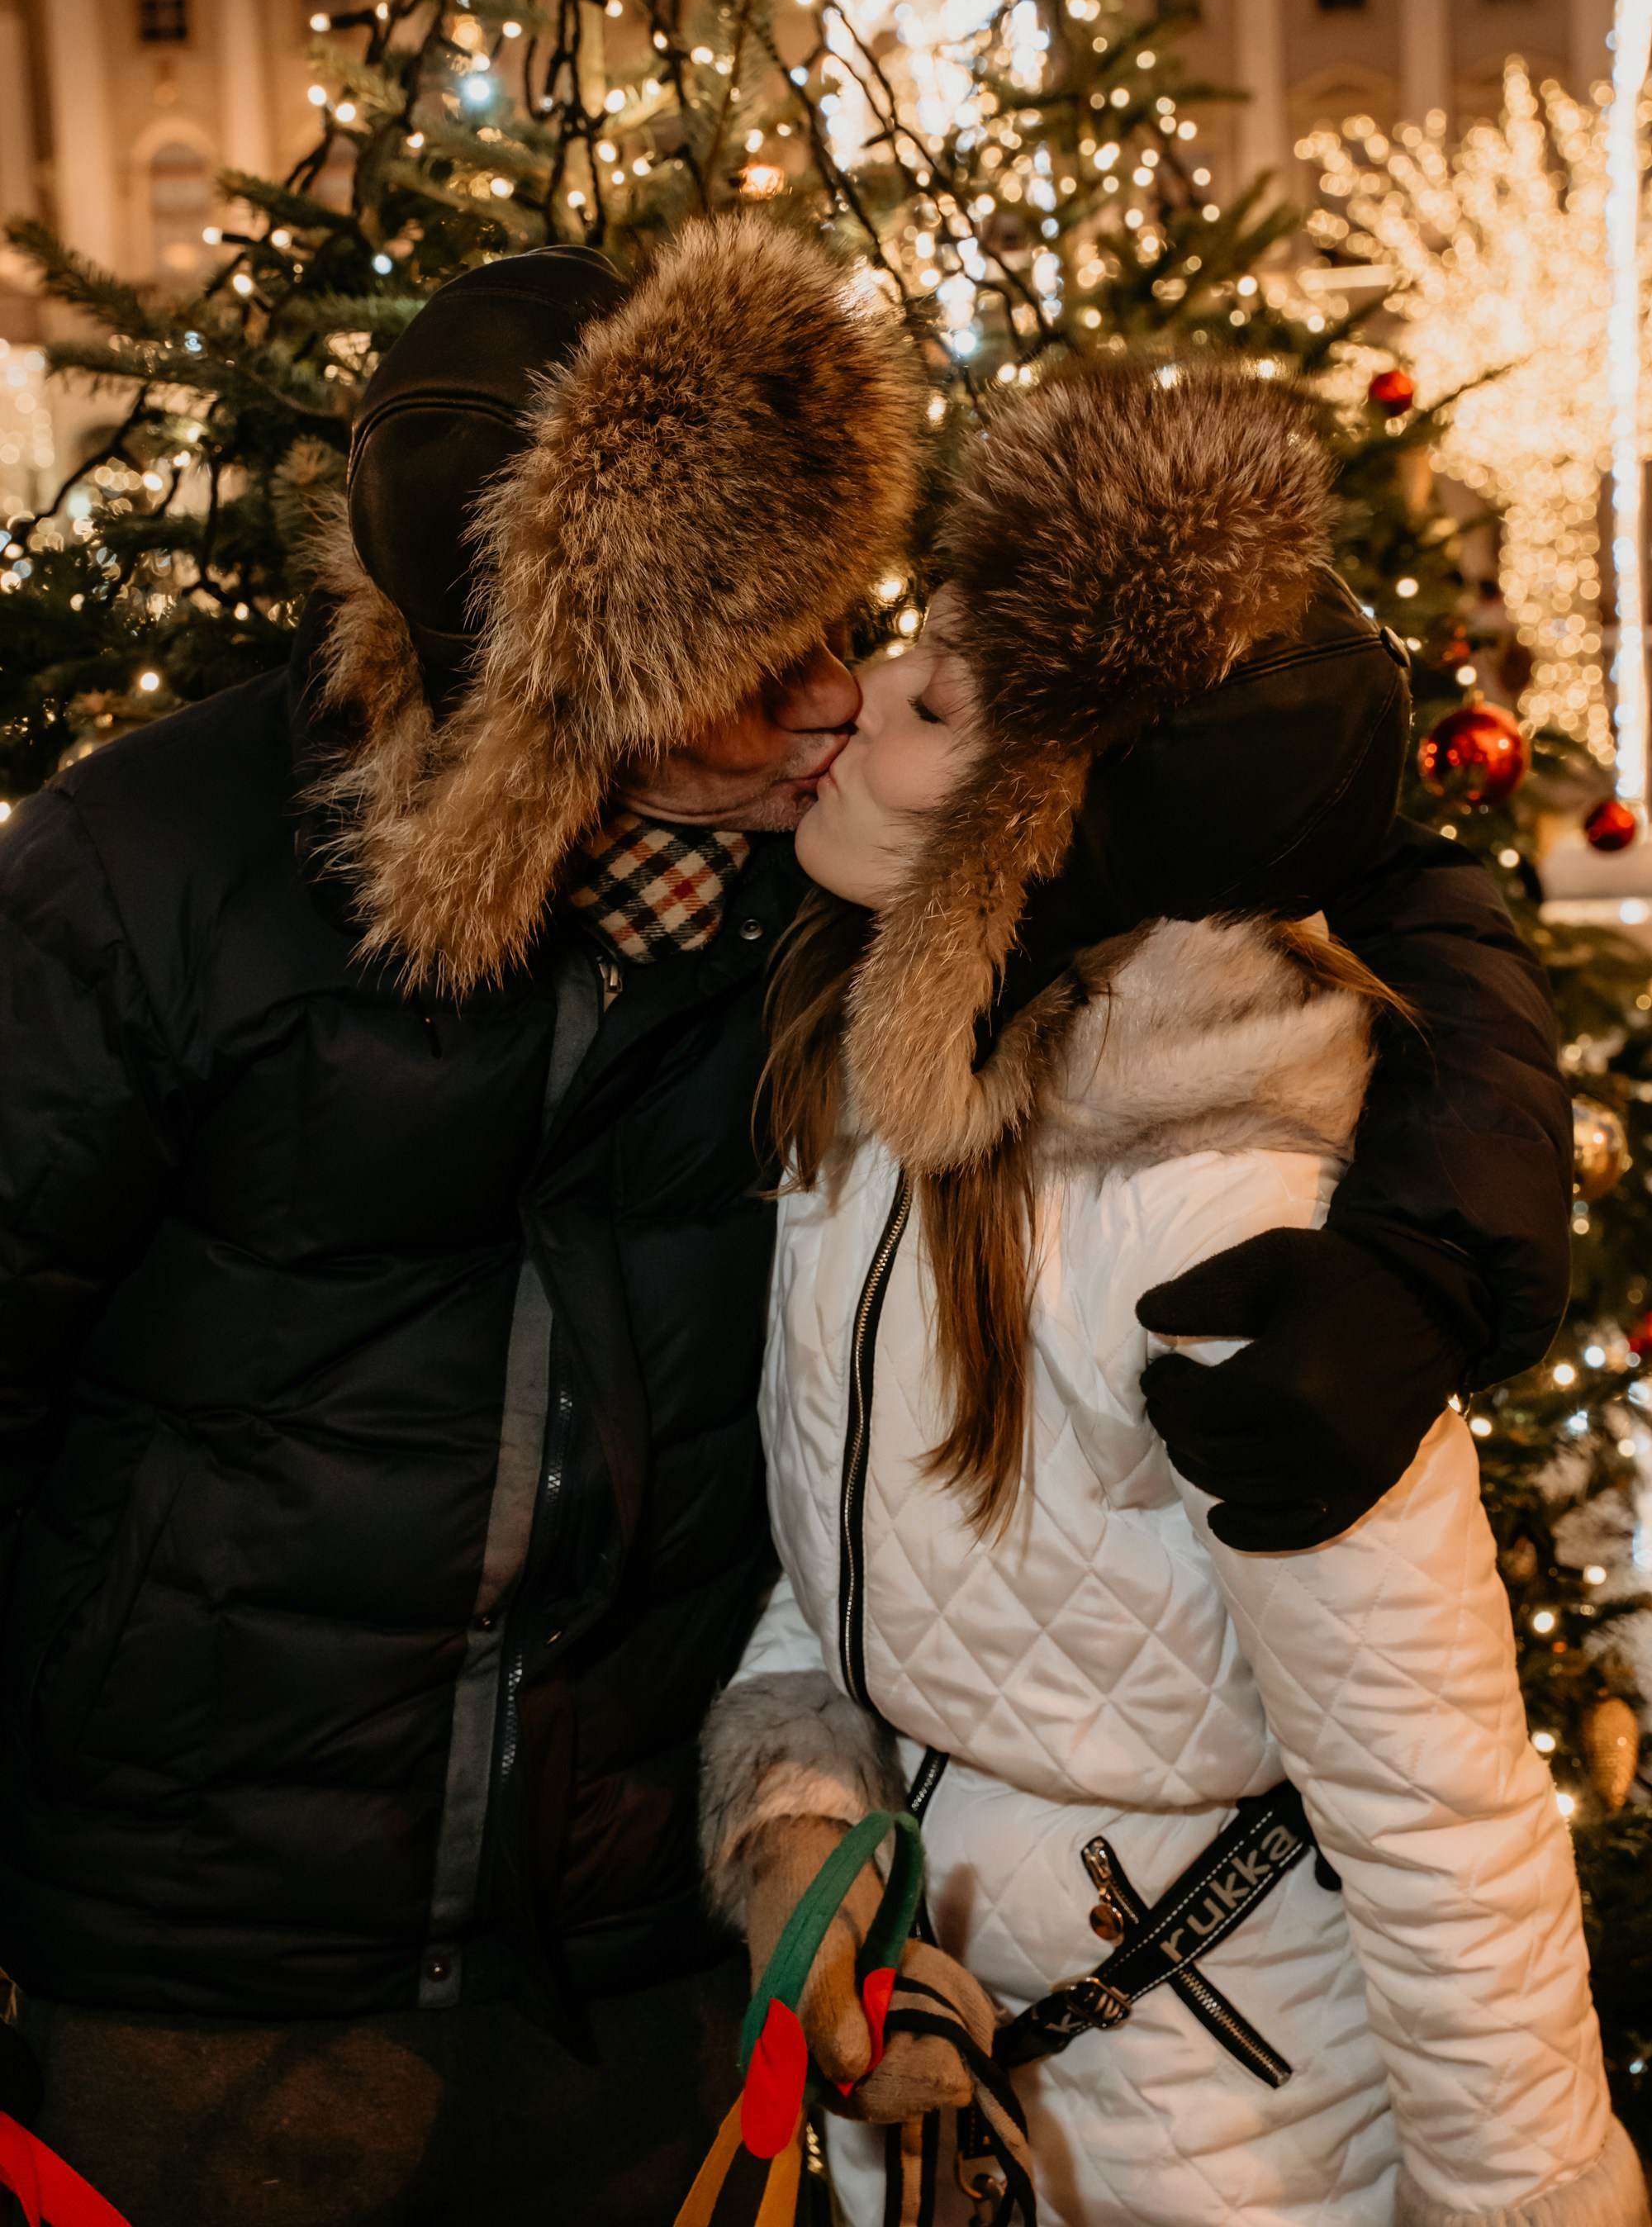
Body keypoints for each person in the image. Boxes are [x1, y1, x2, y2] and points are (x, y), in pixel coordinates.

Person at [0, 216, 1569, 2227]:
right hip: (211, 1981)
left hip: (655, 1975)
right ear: (567, 702)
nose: (832, 701)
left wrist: (1438, 1251)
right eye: (756, 677)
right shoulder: (148, 880)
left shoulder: (832, 919)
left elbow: (1349, 870)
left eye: (845, 633)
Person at [700, 361, 1640, 2227]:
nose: (856, 692)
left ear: (1039, 836)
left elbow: (1438, 1815)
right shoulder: (872, 1128)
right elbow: (856, 1570)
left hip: (1238, 2139)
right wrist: (799, 1821)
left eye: (938, 694)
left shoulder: (1223, 1216)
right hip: (955, 2109)